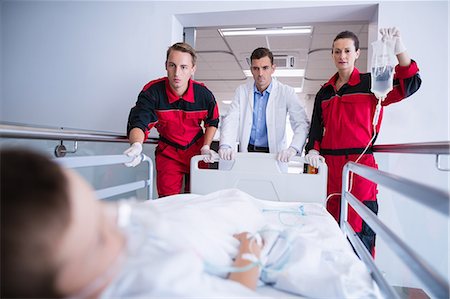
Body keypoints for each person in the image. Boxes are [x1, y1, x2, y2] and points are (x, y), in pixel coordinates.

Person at [0, 148, 263, 298]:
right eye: (100, 240)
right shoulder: (156, 284)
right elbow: (238, 293)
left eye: (100, 208)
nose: (116, 227)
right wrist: (249, 248)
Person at [304, 28, 422, 255]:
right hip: (329, 167)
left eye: (347, 51)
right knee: (329, 224)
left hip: (360, 165)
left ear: (357, 53)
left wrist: (399, 49)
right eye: (337, 51)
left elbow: (411, 84)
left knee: (360, 224)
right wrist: (312, 150)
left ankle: (363, 278)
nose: (342, 56)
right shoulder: (325, 92)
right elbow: (316, 128)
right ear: (332, 55)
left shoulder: (373, 83)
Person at [125, 42, 219, 197]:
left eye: (183, 67)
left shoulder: (204, 94)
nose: (177, 73)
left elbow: (213, 121)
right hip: (169, 153)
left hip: (197, 151)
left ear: (192, 69)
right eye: (172, 65)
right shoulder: (152, 92)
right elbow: (139, 122)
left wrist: (206, 146)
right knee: (167, 202)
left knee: (199, 198)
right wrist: (136, 145)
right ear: (166, 66)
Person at [219, 47, 310, 163]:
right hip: (248, 152)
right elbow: (231, 119)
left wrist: (293, 149)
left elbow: (301, 124)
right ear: (251, 69)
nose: (260, 73)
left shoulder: (286, 92)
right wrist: (226, 145)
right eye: (256, 68)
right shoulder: (241, 91)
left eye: (265, 68)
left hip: (275, 155)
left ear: (273, 68)